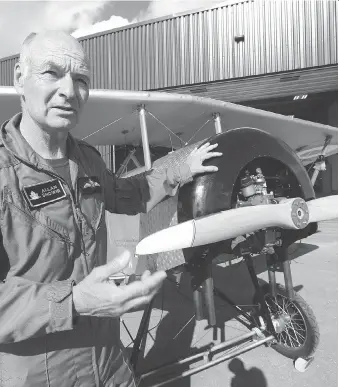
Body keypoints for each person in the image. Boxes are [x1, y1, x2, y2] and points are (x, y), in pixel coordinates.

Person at [0, 30, 222, 387]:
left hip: (109, 364)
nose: (69, 91)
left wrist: (181, 167)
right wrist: (72, 303)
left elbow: (128, 193)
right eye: (51, 73)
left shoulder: (87, 159)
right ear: (19, 79)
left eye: (81, 79)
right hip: (39, 376)